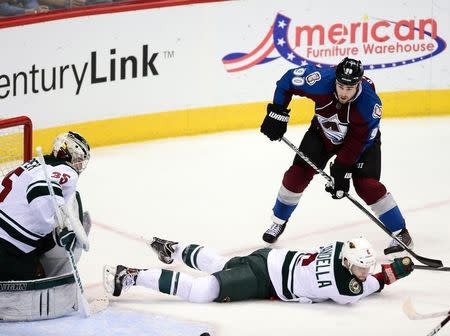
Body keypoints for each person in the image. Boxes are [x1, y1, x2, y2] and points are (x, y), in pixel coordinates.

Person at [259, 57, 413, 256]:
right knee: (296, 175)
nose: (343, 92)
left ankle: (401, 231)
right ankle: (278, 222)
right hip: (322, 133)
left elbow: (360, 141)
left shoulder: (370, 104)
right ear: (335, 80)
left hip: (361, 143)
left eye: (349, 88)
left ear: (358, 83)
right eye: (340, 86)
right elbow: (287, 82)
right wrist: (278, 113)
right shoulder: (320, 80)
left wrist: (342, 168)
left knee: (366, 185)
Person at [104, 236, 413, 305]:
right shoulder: (346, 288)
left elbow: (363, 271)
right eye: (361, 266)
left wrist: (377, 267)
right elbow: (369, 286)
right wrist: (392, 272)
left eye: (365, 267)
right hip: (264, 279)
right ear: (348, 262)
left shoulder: (338, 248)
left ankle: (177, 248)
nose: (363, 272)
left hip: (267, 258)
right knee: (203, 291)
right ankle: (130, 274)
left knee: (222, 264)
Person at [0, 131, 91, 320]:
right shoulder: (67, 171)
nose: (80, 165)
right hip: (9, 247)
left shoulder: (33, 164)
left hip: (7, 236)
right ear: (67, 154)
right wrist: (56, 224)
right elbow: (39, 190)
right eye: (79, 159)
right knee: (28, 292)